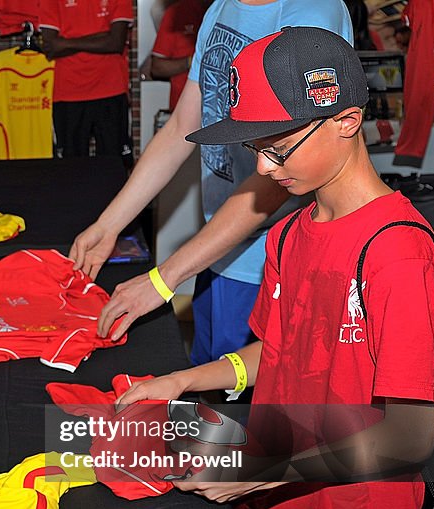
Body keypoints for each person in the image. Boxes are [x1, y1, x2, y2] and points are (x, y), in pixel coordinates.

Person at [118, 27, 434, 509]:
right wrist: (185, 381)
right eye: (256, 149)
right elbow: (280, 353)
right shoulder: (291, 232)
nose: (264, 171)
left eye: (279, 148)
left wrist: (261, 470)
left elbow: (411, 435)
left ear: (347, 120)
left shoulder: (400, 259)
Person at [69, 0, 352, 366]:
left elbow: (284, 168)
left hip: (273, 262)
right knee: (211, 393)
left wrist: (163, 278)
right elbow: (181, 127)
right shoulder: (219, 8)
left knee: (254, 409)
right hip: (218, 248)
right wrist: (108, 225)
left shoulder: (310, 13)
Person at [38, 0, 134, 167]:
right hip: (68, 93)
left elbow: (116, 42)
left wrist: (66, 42)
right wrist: (102, 37)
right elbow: (51, 46)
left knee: (115, 166)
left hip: (110, 90)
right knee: (69, 169)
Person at [142, 0, 211, 111]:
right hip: (183, 110)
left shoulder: (229, 12)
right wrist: (192, 61)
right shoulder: (177, 12)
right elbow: (157, 68)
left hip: (221, 112)